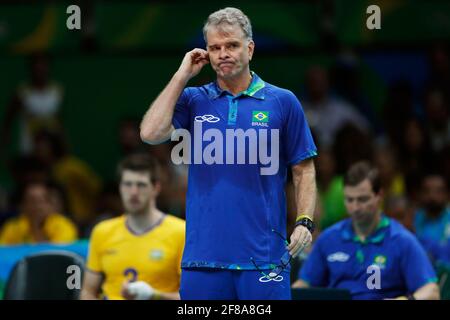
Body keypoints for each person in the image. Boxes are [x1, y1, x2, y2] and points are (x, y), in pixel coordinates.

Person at [140, 7, 317, 300]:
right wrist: (182, 75)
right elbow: (150, 133)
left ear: (250, 48)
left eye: (232, 45)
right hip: (202, 260)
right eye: (214, 47)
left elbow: (303, 168)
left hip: (265, 259)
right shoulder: (193, 99)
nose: (223, 53)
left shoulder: (283, 101)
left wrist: (304, 221)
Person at [292, 161, 440, 300]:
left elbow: (431, 290)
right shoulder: (329, 238)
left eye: (362, 199)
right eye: (349, 200)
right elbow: (304, 285)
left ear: (379, 196)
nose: (355, 207)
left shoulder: (401, 240)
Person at [80, 153, 185, 300]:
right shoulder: (102, 231)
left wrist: (153, 295)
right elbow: (87, 292)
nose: (133, 192)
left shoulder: (181, 232)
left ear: (156, 188)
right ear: (120, 187)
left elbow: (192, 298)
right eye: (127, 184)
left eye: (141, 185)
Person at [0, 181, 78, 244]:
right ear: (23, 206)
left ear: (49, 205)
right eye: (32, 201)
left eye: (41, 201)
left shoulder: (63, 225)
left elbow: (58, 253)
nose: (38, 206)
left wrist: (38, 227)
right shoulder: (12, 228)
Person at [414, 173, 450, 264]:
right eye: (427, 191)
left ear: (447, 194)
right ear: (420, 194)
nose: (432, 196)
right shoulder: (413, 218)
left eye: (438, 191)